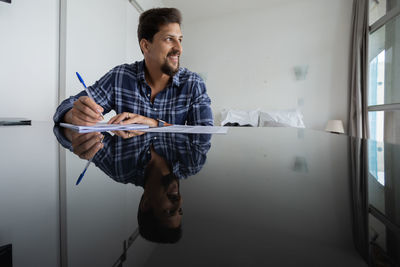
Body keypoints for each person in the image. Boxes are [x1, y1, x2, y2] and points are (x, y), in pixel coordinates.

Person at [53, 8, 213, 127]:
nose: (179, 49)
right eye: (169, 39)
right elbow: (65, 106)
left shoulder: (193, 83)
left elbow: (203, 136)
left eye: (180, 39)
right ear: (146, 45)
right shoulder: (120, 77)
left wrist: (154, 124)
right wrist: (74, 114)